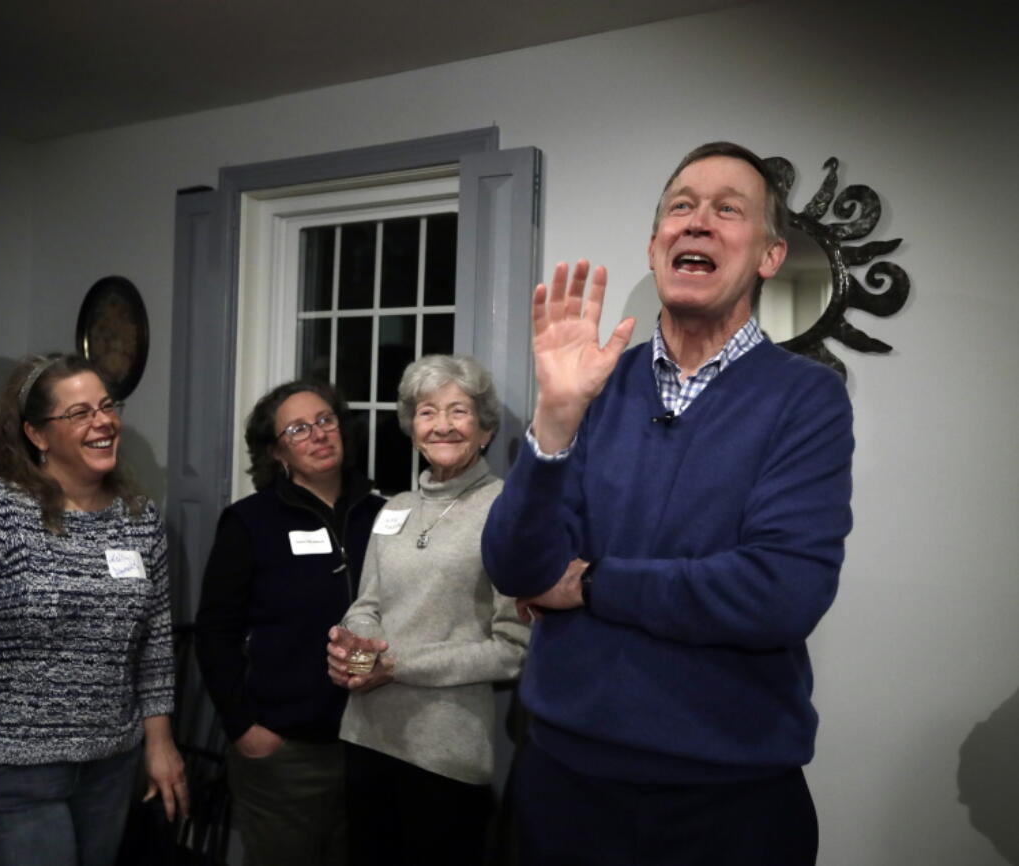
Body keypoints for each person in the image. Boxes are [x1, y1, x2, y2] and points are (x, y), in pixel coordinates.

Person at [481, 142, 855, 866]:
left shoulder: (807, 398)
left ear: (770, 257)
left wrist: (591, 582)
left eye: (728, 209)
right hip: (561, 783)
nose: (698, 222)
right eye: (681, 206)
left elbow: (780, 592)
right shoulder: (593, 388)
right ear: (656, 247)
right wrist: (556, 418)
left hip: (727, 798)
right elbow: (516, 566)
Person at [0, 353, 186, 866]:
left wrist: (160, 744)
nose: (103, 421)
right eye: (79, 413)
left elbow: (156, 643)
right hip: (14, 778)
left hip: (111, 768)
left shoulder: (138, 519)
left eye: (106, 406)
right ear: (37, 435)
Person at [327, 355, 529, 866]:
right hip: (366, 734)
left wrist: (395, 666)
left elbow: (512, 649)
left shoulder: (506, 511)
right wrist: (356, 656)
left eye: (458, 412)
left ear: (484, 430)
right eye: (427, 412)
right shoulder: (393, 508)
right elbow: (366, 604)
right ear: (412, 429)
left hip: (445, 752)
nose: (442, 425)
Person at [195, 380, 384, 866]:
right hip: (286, 751)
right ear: (276, 450)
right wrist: (244, 728)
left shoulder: (383, 516)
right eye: (299, 429)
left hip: (373, 743)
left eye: (325, 420)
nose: (319, 435)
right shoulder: (249, 522)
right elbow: (216, 632)